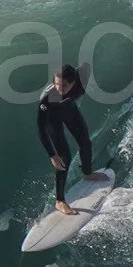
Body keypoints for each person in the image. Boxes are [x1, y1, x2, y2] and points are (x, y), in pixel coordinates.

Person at [36, 64, 99, 213]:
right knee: (64, 157)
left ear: (73, 82)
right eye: (56, 84)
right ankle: (59, 201)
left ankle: (87, 173)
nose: (59, 89)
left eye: (63, 86)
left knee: (85, 142)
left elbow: (86, 66)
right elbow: (41, 128)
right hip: (53, 118)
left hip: (70, 110)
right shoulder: (47, 99)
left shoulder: (82, 77)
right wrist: (52, 155)